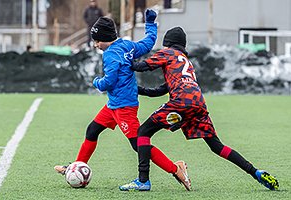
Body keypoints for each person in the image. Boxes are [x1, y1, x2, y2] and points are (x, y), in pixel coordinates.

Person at [119, 27, 279, 191]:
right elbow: (158, 91)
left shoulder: (168, 53)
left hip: (181, 102)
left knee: (143, 132)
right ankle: (255, 172)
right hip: (198, 104)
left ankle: (143, 180)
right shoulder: (186, 63)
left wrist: (122, 58)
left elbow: (140, 66)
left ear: (168, 44)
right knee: (217, 146)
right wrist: (136, 89)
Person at [54, 11, 189, 191]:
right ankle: (77, 166)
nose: (95, 44)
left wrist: (96, 82)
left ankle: (175, 169)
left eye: (97, 41)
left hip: (124, 107)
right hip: (114, 104)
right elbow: (148, 43)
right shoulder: (127, 45)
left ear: (105, 38)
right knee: (92, 130)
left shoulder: (110, 55)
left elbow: (108, 82)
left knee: (139, 144)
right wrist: (150, 23)